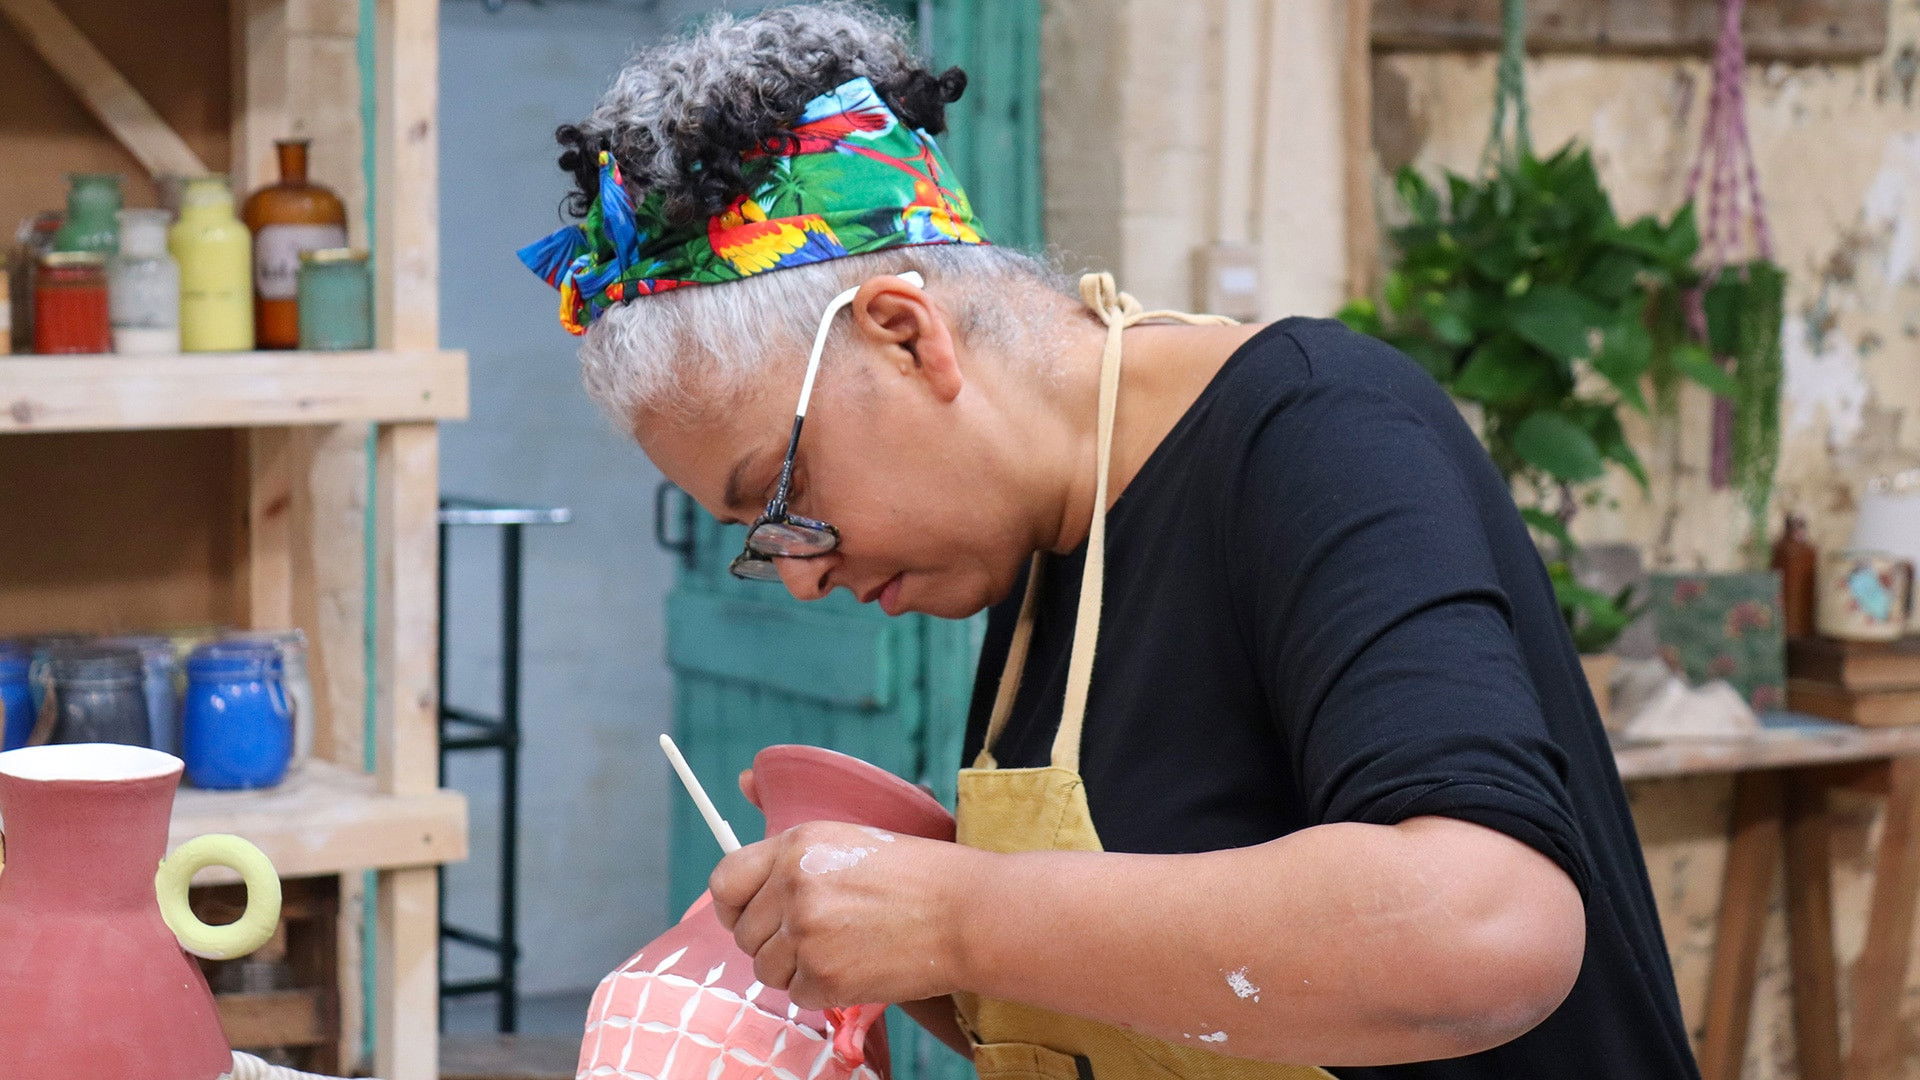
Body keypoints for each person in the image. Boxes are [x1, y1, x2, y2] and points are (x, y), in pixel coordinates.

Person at [519, 5, 1701, 1078]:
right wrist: (883, 923)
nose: (804, 573)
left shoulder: (1315, 431)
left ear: (905, 338)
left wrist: (957, 913)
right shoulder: (1042, 552)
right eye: (755, 540)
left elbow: (1483, 932)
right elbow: (1158, 983)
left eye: (781, 496)